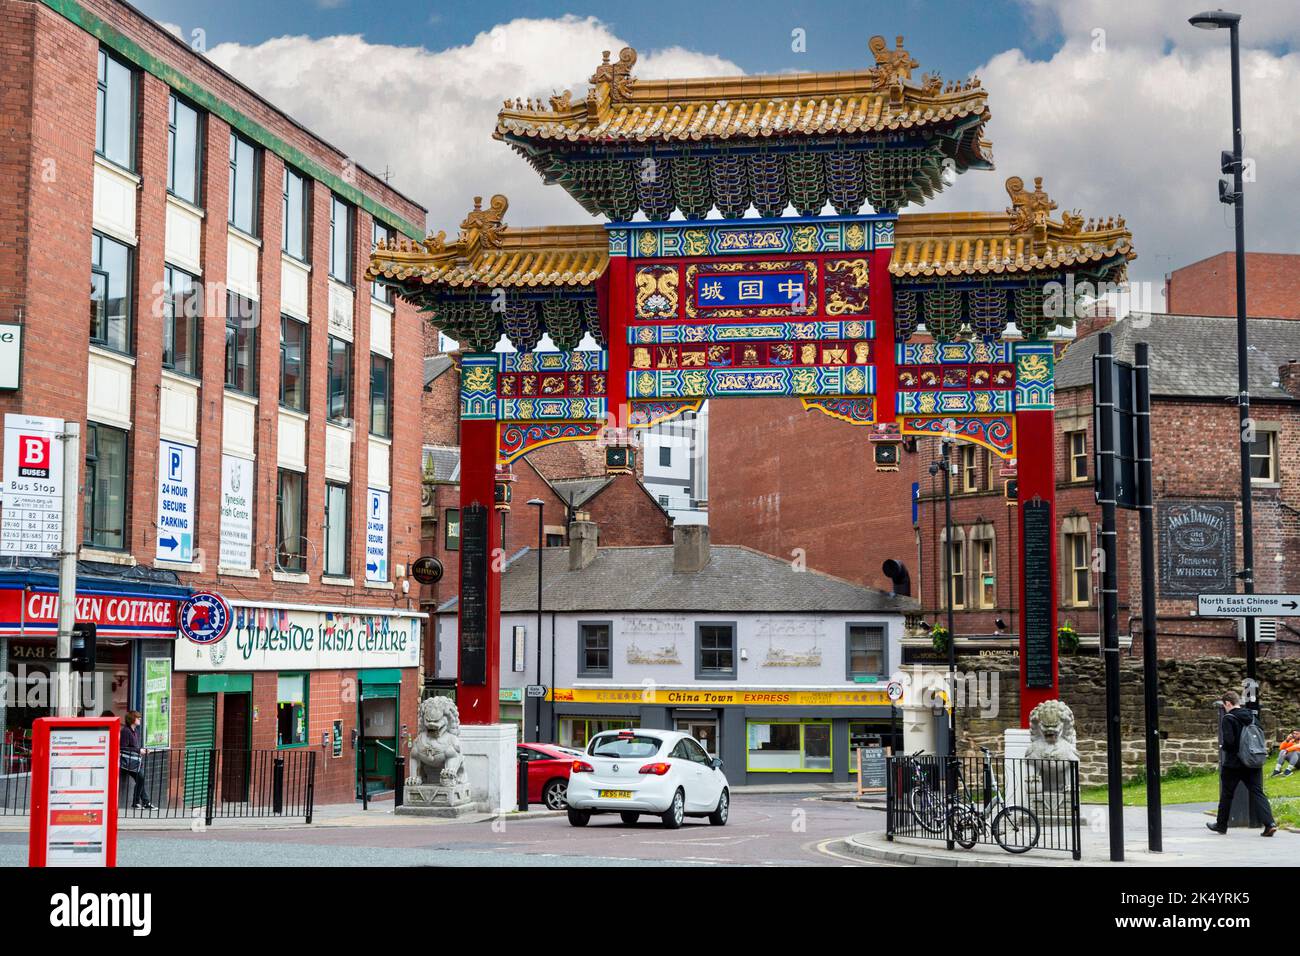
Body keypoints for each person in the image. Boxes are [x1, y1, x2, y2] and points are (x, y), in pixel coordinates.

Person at [1207, 691, 1276, 837]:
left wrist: (1224, 748)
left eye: (1224, 705)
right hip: (1252, 762)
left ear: (1227, 703)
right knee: (1257, 792)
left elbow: (1230, 742)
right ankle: (1270, 824)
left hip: (1234, 763)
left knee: (1227, 794)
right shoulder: (1252, 716)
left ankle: (1221, 825)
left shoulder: (1229, 718)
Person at [120, 711, 158, 811]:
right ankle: (137, 802)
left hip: (134, 762)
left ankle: (144, 802)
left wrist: (142, 749)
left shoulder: (134, 731)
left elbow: (134, 746)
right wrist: (139, 750)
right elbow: (123, 747)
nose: (140, 719)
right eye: (138, 718)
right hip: (127, 762)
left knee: (140, 779)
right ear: (132, 719)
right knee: (140, 778)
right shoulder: (126, 731)